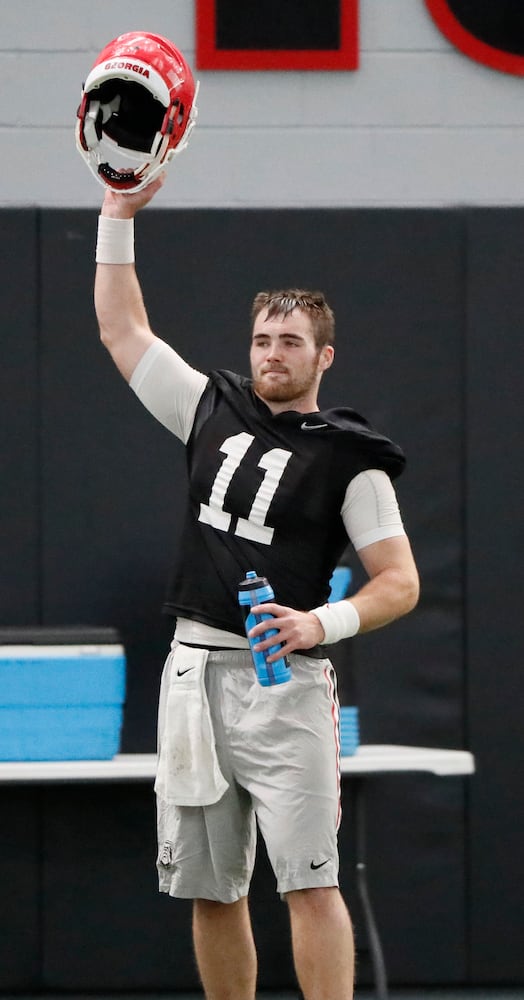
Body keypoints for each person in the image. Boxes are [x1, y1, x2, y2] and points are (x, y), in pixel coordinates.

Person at [93, 173, 420, 1000]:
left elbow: (400, 583)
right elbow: (120, 325)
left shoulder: (352, 457)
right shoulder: (209, 407)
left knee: (310, 882)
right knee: (210, 889)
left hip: (284, 683)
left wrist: (321, 624)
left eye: (291, 342)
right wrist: (116, 214)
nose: (273, 354)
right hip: (194, 674)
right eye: (263, 339)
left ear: (324, 356)